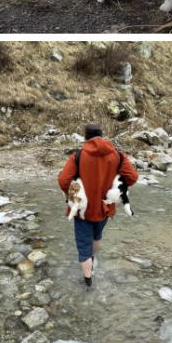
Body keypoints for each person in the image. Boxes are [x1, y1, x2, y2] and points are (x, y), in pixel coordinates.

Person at [58, 123, 138, 287]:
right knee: (96, 236)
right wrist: (116, 185)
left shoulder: (78, 156)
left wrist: (73, 191)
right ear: (102, 136)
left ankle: (87, 282)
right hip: (105, 207)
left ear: (86, 137)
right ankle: (92, 260)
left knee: (83, 244)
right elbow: (132, 177)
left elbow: (63, 180)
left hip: (83, 210)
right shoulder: (118, 155)